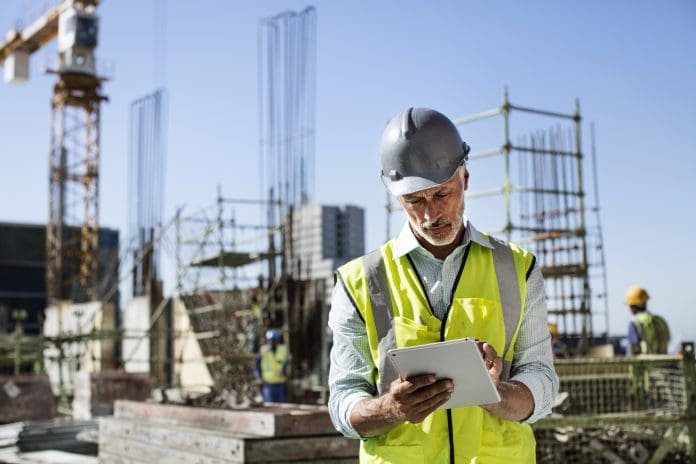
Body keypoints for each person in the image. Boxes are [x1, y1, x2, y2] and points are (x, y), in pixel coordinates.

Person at [328, 107, 559, 463]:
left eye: (441, 194)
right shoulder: (359, 281)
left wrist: (495, 391)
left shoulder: (518, 269)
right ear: (395, 196)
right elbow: (343, 401)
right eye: (414, 200)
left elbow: (542, 381)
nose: (429, 215)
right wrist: (391, 408)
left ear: (465, 179)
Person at [625, 285, 670, 355]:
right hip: (663, 363)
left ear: (633, 305)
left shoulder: (634, 323)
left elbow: (633, 349)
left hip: (644, 364)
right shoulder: (660, 320)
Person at [255, 329, 288, 402]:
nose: (272, 342)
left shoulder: (282, 351)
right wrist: (258, 378)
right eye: (270, 340)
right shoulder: (263, 351)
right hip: (268, 384)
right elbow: (257, 367)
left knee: (280, 407)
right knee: (269, 405)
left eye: (274, 340)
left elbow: (286, 365)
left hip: (280, 384)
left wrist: (285, 372)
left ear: (277, 341)